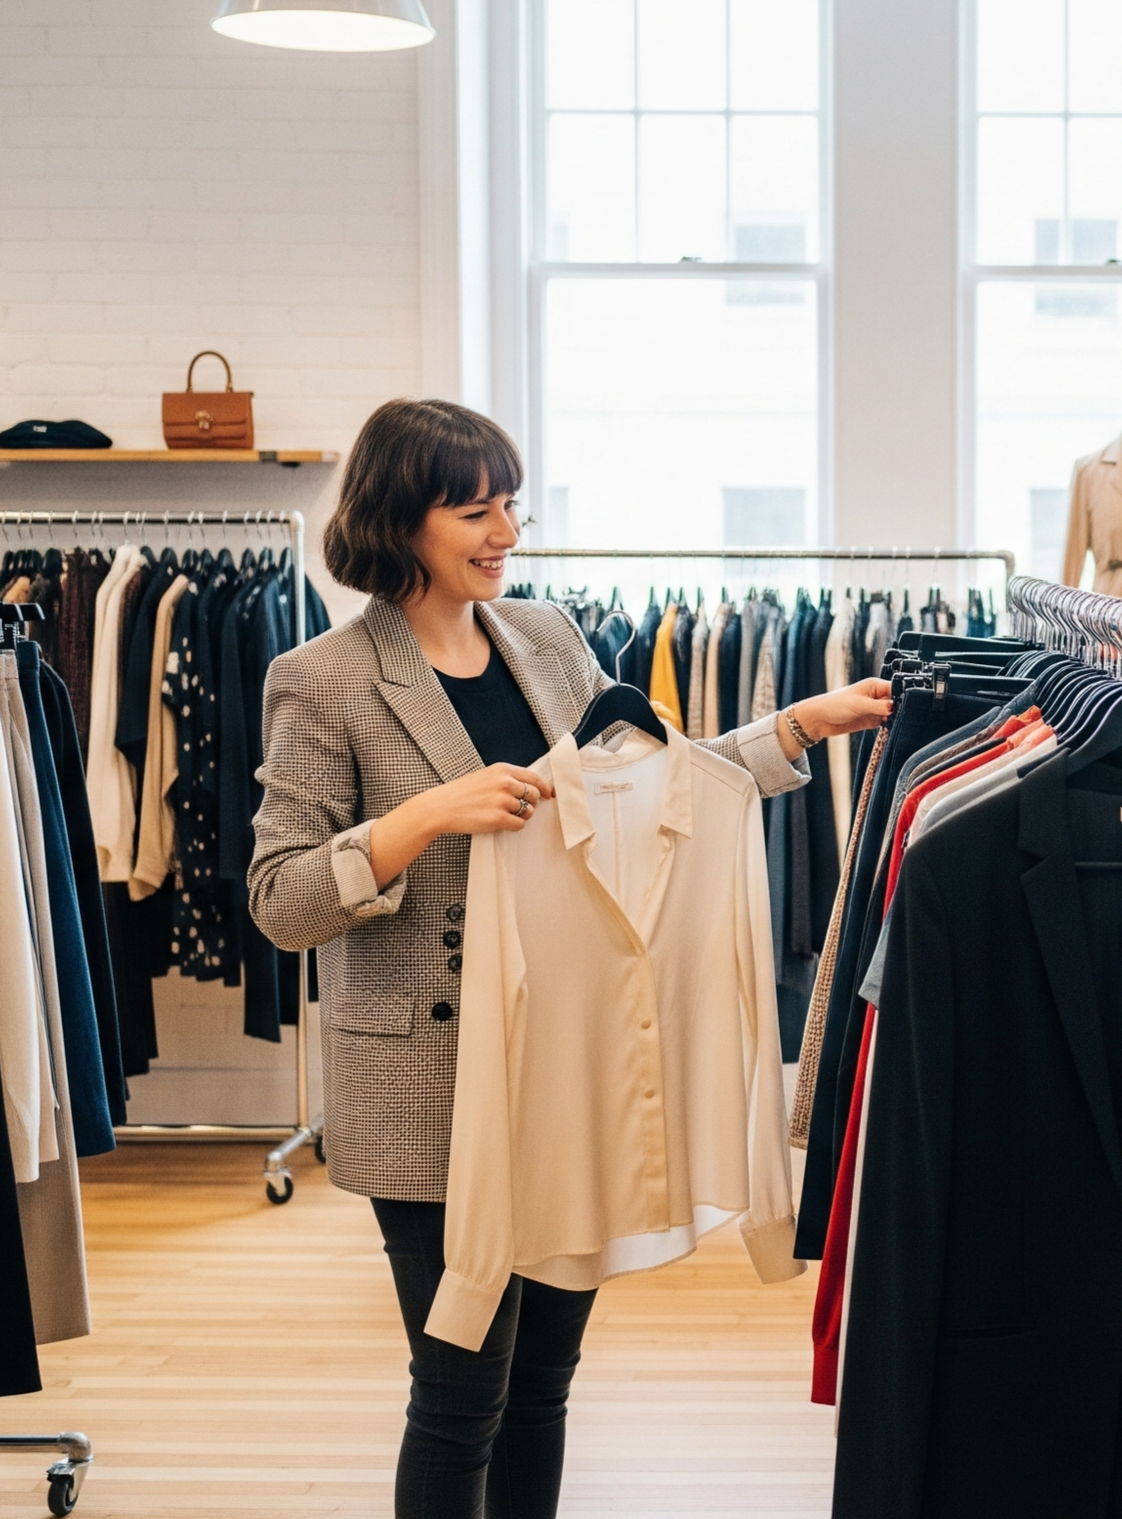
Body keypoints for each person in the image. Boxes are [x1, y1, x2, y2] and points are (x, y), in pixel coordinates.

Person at [247, 398, 891, 1519]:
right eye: (474, 509)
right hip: (432, 1089)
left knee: (544, 1379)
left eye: (511, 506)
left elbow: (654, 783)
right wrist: (427, 816)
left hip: (564, 1062)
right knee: (458, 1389)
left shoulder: (545, 638)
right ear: (401, 516)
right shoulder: (325, 678)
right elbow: (283, 898)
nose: (504, 531)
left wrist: (799, 726)